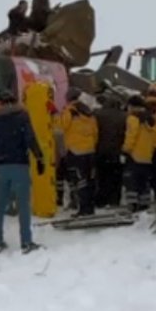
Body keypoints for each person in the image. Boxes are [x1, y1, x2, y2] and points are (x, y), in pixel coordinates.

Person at [0, 90, 46, 254]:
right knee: (23, 204)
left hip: (0, 167)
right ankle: (26, 242)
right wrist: (39, 158)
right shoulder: (22, 117)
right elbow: (30, 139)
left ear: (0, 102)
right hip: (19, 165)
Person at [60, 88, 99, 216]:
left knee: (79, 180)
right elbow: (95, 132)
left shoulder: (70, 111)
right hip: (90, 150)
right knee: (89, 179)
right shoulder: (88, 112)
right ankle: (90, 206)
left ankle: (83, 208)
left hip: (75, 151)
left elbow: (62, 126)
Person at [122, 95, 156, 209]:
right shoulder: (150, 119)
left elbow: (131, 135)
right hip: (147, 155)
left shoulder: (133, 118)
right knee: (143, 181)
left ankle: (133, 204)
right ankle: (144, 203)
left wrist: (126, 149)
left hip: (135, 154)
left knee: (132, 180)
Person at [94, 94, 127, 208]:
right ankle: (114, 200)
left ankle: (101, 200)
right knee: (116, 177)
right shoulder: (124, 116)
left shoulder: (98, 114)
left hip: (101, 150)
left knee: (102, 176)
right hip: (117, 151)